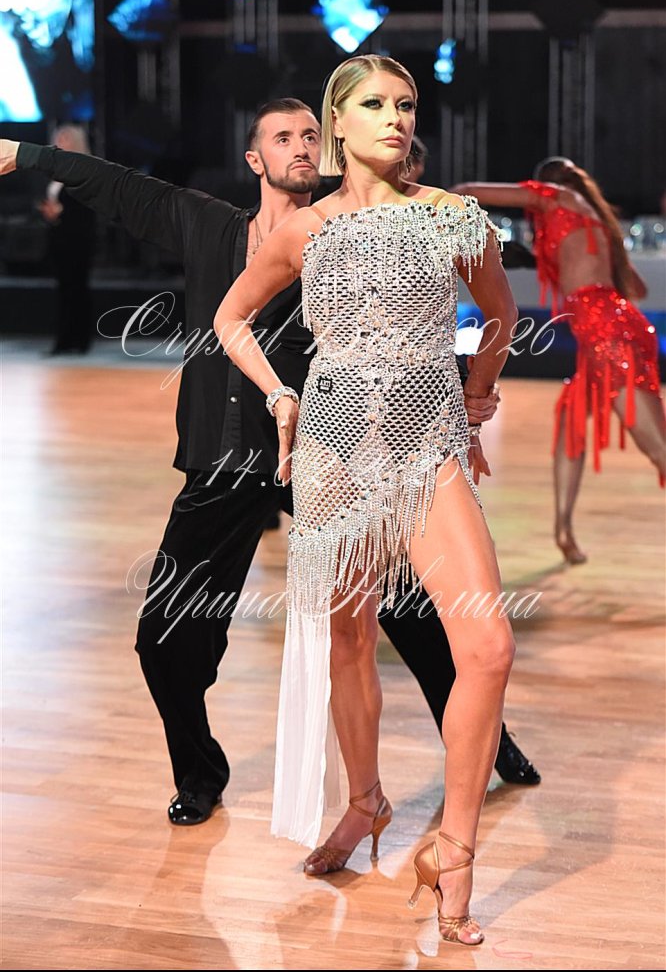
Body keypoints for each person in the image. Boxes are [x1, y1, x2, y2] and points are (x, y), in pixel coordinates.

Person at [0, 101, 538, 834]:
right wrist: (29, 155)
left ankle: (489, 740)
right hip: (222, 464)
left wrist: (468, 390)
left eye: (310, 135)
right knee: (165, 637)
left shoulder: (340, 233)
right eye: (283, 138)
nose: (300, 147)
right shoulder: (206, 224)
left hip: (327, 458)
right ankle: (199, 771)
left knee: (414, 614)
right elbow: (116, 185)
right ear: (255, 159)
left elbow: (403, 333)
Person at [214, 55, 519, 946]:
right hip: (336, 454)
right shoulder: (304, 230)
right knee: (348, 640)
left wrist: (474, 396)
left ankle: (453, 850)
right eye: (375, 105)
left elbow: (499, 315)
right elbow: (231, 318)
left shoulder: (454, 217)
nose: (396, 118)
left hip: (427, 453)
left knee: (488, 647)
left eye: (406, 104)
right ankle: (365, 800)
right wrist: (280, 393)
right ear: (336, 124)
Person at [454, 158, 666, 564]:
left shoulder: (559, 198)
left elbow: (467, 191)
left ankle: (564, 529)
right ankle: (563, 532)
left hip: (608, 336)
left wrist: (435, 202)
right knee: (571, 426)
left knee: (656, 447)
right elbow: (635, 288)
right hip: (608, 331)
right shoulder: (595, 221)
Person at [39, 124, 96, 355]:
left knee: (78, 288)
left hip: (78, 240)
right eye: (58, 138)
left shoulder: (85, 170)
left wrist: (62, 211)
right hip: (59, 239)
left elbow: (86, 207)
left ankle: (80, 339)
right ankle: (64, 339)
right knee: (64, 289)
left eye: (65, 139)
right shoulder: (55, 173)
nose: (60, 142)